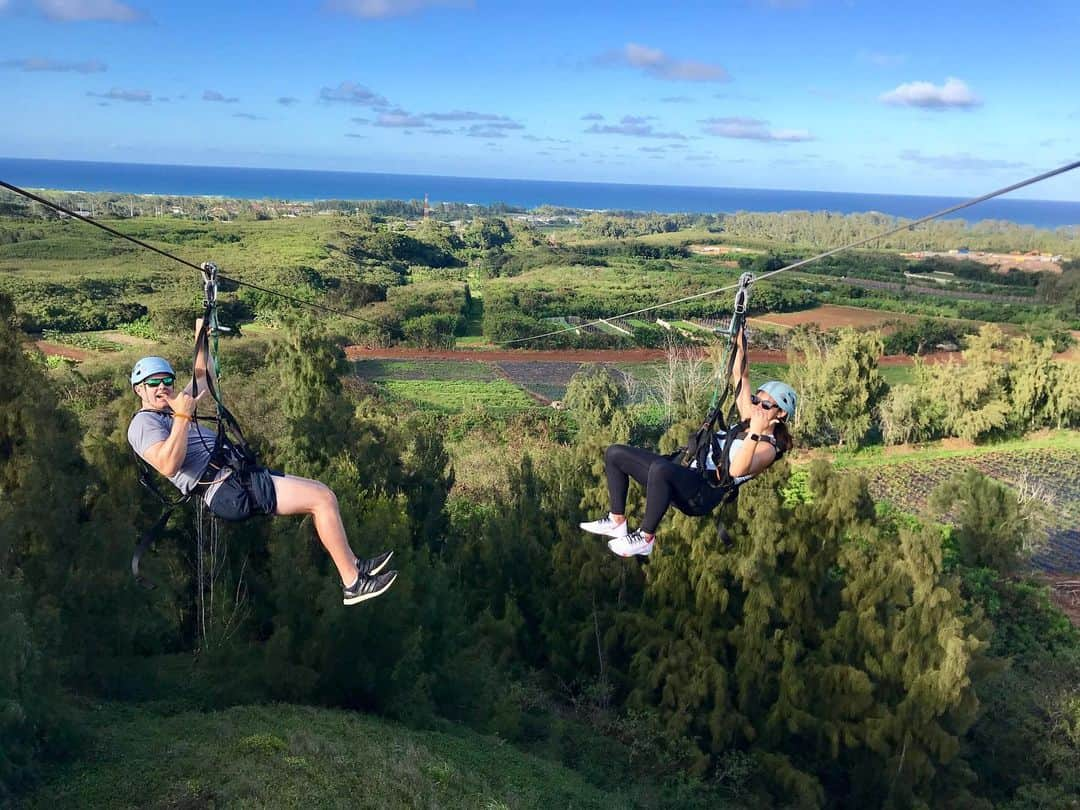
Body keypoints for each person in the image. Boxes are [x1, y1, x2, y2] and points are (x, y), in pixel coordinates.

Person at [127, 320, 396, 605]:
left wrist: (200, 338)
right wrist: (182, 417)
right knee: (322, 499)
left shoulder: (173, 411)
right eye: (152, 383)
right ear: (138, 390)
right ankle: (353, 584)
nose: (162, 388)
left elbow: (203, 378)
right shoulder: (143, 423)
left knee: (322, 492)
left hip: (236, 477)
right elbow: (168, 464)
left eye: (167, 381)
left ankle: (352, 565)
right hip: (225, 489)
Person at [580, 331, 796, 557]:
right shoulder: (748, 419)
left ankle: (645, 538)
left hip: (701, 494)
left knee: (661, 469)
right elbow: (740, 372)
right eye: (755, 400)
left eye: (765, 405)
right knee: (615, 454)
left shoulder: (768, 448)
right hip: (685, 473)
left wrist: (755, 433)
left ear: (780, 413)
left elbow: (736, 470)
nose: (757, 406)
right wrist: (740, 330)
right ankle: (616, 520)